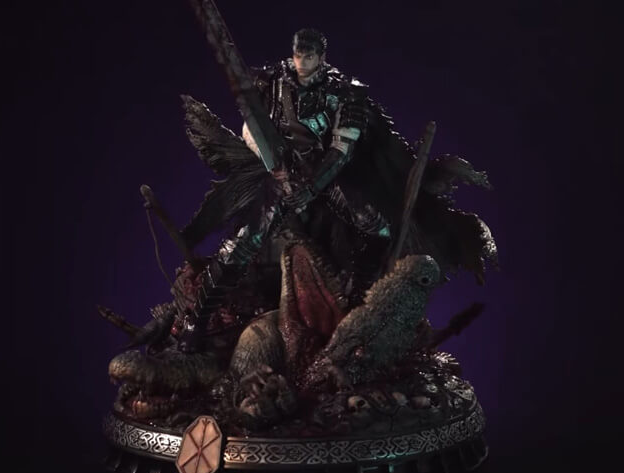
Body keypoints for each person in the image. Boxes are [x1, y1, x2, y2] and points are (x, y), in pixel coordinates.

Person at [139, 28, 497, 353]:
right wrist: (273, 162)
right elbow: (251, 120)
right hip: (282, 174)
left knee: (376, 226)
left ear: (321, 57)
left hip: (328, 175)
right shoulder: (272, 80)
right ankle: (196, 322)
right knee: (242, 244)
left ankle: (360, 297)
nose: (301, 62)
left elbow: (342, 150)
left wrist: (312, 187)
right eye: (298, 55)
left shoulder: (344, 92)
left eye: (308, 56)